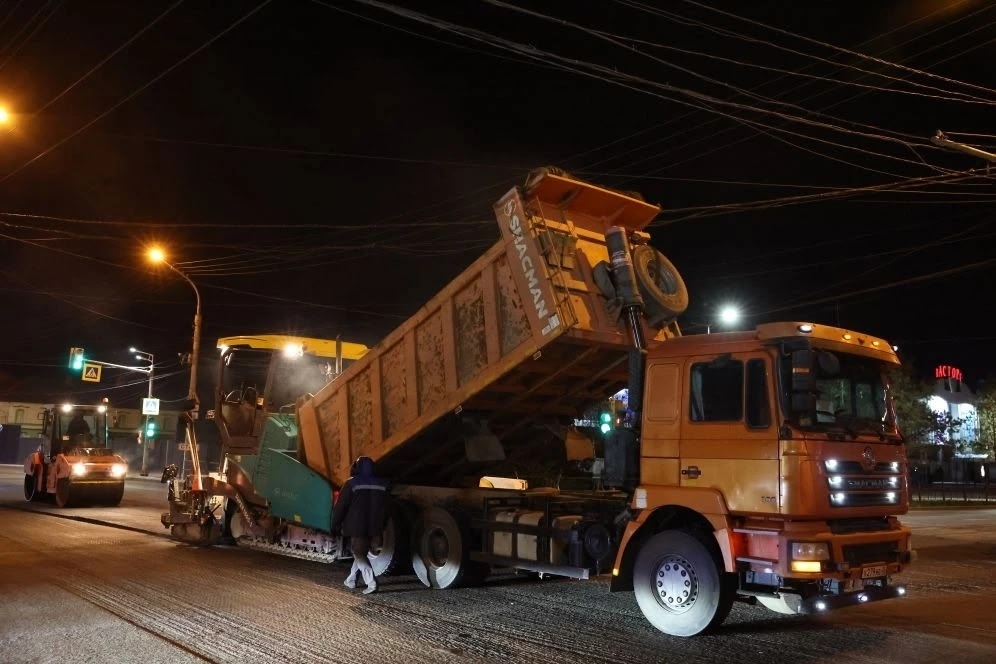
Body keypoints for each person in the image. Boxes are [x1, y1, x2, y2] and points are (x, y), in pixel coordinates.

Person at [330, 456, 389, 595]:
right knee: (360, 552)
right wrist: (383, 525)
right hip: (375, 526)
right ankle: (351, 580)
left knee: (358, 553)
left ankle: (371, 582)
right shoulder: (382, 484)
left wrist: (335, 525)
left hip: (357, 527)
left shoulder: (352, 484)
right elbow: (387, 508)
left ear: (356, 468)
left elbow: (341, 507)